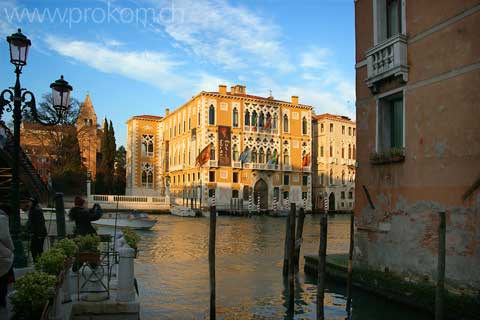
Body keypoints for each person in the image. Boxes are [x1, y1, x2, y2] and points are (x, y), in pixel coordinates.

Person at [0, 209, 14, 308]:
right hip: (1, 255)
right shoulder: (2, 217)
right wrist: (11, 249)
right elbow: (5, 237)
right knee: (2, 280)